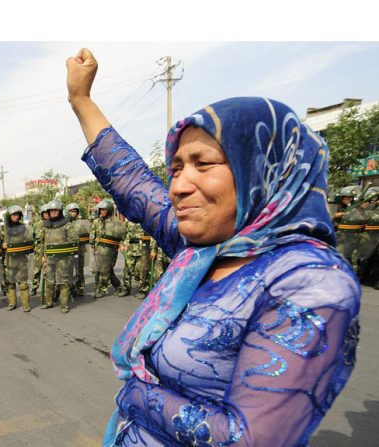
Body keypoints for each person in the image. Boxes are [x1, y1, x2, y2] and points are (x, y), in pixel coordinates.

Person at [67, 48, 360, 446]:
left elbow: (250, 439)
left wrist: (136, 395)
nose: (179, 185)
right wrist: (81, 100)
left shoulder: (309, 281)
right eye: (176, 168)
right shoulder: (204, 250)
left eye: (203, 164)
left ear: (261, 171)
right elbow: (133, 182)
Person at [40, 200, 79, 313]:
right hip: (49, 258)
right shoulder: (46, 225)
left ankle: (64, 305)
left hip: (63, 259)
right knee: (49, 281)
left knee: (63, 282)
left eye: (55, 210)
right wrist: (43, 256)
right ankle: (49, 302)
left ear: (60, 211)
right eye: (51, 211)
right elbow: (43, 242)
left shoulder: (67, 225)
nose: (53, 212)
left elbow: (74, 241)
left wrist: (66, 253)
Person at [90, 200, 126, 298]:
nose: (102, 212)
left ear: (109, 210)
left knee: (105, 269)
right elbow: (92, 234)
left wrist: (122, 244)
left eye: (104, 210)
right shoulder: (97, 221)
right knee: (107, 269)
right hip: (99, 249)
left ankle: (103, 289)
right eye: (101, 210)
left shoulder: (117, 222)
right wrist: (93, 245)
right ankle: (119, 287)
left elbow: (123, 236)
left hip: (111, 249)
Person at [2, 205, 34, 311]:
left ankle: (26, 304)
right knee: (10, 283)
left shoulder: (25, 228)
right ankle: (12, 303)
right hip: (9, 260)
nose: (15, 217)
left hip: (21, 260)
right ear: (9, 216)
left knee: (23, 283)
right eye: (13, 215)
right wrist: (3, 245)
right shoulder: (4, 229)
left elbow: (30, 242)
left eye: (17, 215)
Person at [66, 202, 89, 297]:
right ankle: (71, 288)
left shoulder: (81, 223)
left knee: (79, 270)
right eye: (71, 211)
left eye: (75, 211)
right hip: (67, 251)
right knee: (68, 270)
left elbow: (87, 234)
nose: (73, 213)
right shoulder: (64, 223)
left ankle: (80, 287)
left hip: (80, 250)